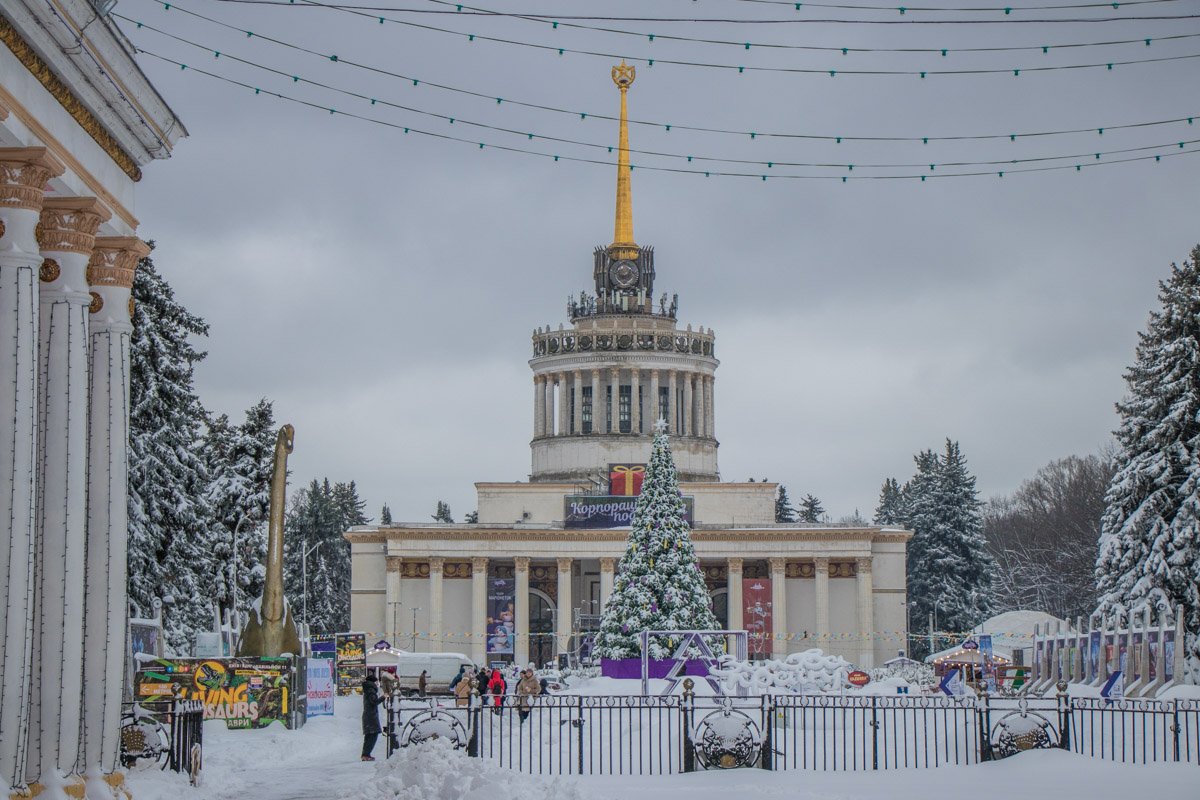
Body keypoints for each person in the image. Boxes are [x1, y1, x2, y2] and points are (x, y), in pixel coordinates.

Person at [361, 673, 385, 761]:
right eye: (376, 682)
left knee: (369, 736)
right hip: (371, 716)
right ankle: (366, 755)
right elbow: (374, 701)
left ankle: (365, 754)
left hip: (369, 715)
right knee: (372, 735)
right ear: (373, 682)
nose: (377, 683)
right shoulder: (371, 690)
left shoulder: (368, 689)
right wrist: (384, 697)